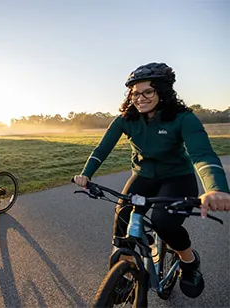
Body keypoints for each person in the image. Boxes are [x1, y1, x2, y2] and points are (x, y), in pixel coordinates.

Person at [73, 62, 230, 299]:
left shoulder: (182, 118)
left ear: (162, 92)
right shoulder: (126, 119)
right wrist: (87, 173)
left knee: (163, 223)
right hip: (143, 176)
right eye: (135, 93)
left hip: (177, 178)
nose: (140, 98)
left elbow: (202, 154)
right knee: (122, 218)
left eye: (148, 92)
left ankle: (189, 263)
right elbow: (102, 148)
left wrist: (216, 188)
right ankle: (124, 274)